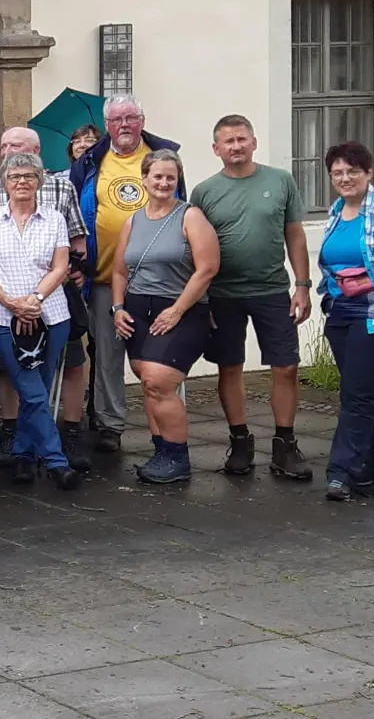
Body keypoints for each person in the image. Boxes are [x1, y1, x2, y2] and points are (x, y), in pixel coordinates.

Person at [193, 115, 313, 479]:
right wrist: (200, 300)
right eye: (228, 141)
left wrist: (303, 285)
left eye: (241, 139)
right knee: (229, 367)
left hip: (272, 289)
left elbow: (295, 235)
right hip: (223, 294)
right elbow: (195, 249)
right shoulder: (204, 192)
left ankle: (285, 445)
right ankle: (240, 442)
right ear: (216, 149)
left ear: (254, 142)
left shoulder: (280, 181)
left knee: (286, 366)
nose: (236, 146)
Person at [0, 127, 91, 469]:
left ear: (39, 180)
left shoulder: (53, 219)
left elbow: (61, 264)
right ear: (4, 182)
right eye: (14, 176)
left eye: (28, 176)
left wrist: (34, 299)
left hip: (52, 313)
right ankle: (55, 459)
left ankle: (22, 452)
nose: (21, 181)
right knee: (33, 390)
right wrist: (11, 303)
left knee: (43, 382)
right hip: (3, 315)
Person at [70, 95, 185, 454]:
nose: (124, 125)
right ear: (107, 124)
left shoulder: (164, 157)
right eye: (117, 118)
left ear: (142, 120)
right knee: (107, 356)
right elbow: (74, 211)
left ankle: (169, 428)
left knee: (164, 357)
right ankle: (109, 424)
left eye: (131, 118)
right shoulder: (91, 160)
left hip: (161, 280)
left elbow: (182, 209)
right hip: (105, 275)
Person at [111, 150, 218, 484]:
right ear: (144, 179)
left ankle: (177, 457)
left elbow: (207, 269)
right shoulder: (133, 220)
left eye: (170, 177)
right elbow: (118, 271)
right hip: (139, 311)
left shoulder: (191, 216)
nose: (163, 183)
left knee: (159, 380)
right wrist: (117, 309)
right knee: (148, 382)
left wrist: (177, 309)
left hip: (182, 310)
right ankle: (161, 452)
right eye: (157, 176)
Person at [315, 143, 374, 501]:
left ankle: (343, 471)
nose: (344, 178)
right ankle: (372, 467)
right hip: (340, 312)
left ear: (368, 172)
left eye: (352, 171)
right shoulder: (337, 211)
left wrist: (370, 280)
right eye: (337, 173)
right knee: (372, 392)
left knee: (357, 395)